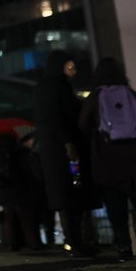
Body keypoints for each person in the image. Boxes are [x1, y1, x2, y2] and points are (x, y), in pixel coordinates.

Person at [78, 57, 136, 261]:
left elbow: (83, 126)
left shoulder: (95, 97)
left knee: (115, 204)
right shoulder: (130, 94)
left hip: (108, 159)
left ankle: (124, 247)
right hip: (135, 158)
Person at [34, 50, 95, 256]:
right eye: (69, 66)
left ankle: (77, 240)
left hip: (62, 148)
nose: (74, 70)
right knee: (67, 195)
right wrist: (68, 142)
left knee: (73, 195)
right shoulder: (52, 87)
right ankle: (74, 241)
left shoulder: (57, 86)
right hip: (60, 150)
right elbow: (54, 118)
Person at [0, 133, 41, 251]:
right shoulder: (21, 153)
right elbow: (30, 173)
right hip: (20, 189)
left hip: (5, 190)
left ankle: (11, 243)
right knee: (25, 218)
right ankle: (32, 243)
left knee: (9, 218)